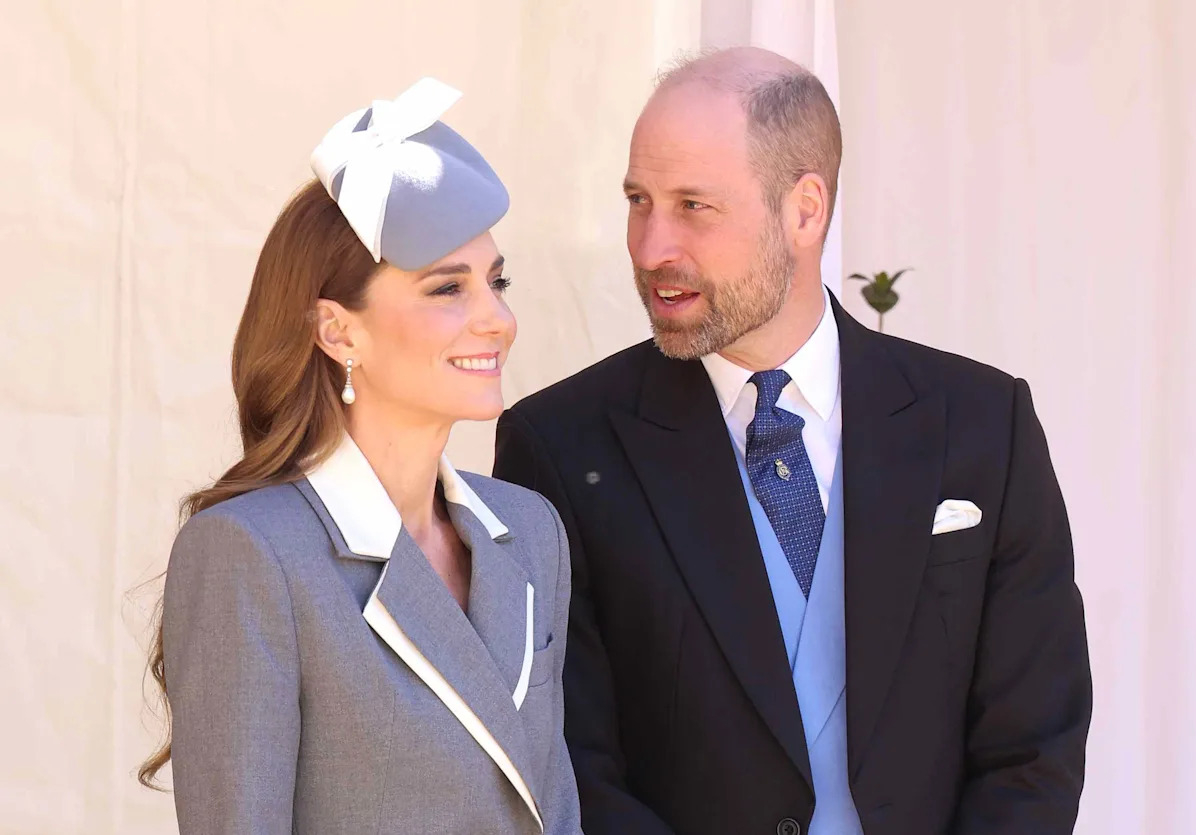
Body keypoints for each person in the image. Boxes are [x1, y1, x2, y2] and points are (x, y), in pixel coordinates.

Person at [493, 48, 1091, 834]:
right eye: (639, 201)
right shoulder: (560, 447)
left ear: (805, 210)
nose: (649, 248)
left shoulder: (984, 424)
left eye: (693, 206)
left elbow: (1034, 746)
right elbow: (568, 763)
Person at [139, 78, 582, 835]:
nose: (498, 319)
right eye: (449, 288)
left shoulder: (529, 530)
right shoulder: (250, 554)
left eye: (496, 282)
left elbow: (556, 810)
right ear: (338, 331)